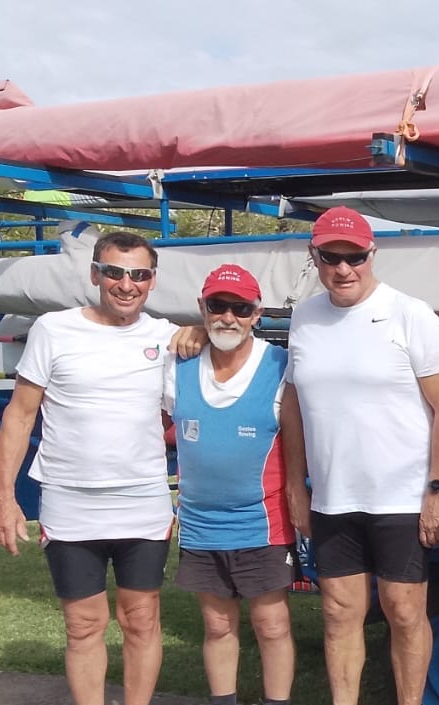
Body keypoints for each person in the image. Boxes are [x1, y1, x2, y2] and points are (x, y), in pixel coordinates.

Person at [0, 231, 182, 705]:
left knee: (141, 619)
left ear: (152, 281)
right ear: (96, 274)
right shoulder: (54, 329)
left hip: (143, 501)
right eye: (114, 272)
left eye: (138, 274)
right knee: (83, 625)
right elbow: (19, 414)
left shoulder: (165, 336)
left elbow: (198, 408)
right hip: (70, 501)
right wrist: (3, 498)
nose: (126, 284)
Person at [280, 206, 439, 705]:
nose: (343, 269)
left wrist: (435, 490)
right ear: (314, 256)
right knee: (339, 613)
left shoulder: (411, 314)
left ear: (372, 254)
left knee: (403, 611)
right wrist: (296, 486)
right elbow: (293, 404)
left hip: (401, 497)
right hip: (334, 497)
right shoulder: (305, 315)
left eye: (354, 257)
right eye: (330, 257)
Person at [165, 264, 295, 705]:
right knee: (218, 626)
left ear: (257, 314)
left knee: (272, 625)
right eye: (218, 306)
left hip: (262, 522)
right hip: (201, 524)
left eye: (240, 308)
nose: (228, 317)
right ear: (202, 308)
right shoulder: (175, 367)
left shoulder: (281, 367)